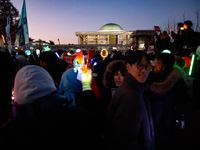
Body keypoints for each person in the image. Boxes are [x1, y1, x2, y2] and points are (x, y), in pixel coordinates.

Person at [105, 50, 154, 150]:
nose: (144, 70)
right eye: (140, 65)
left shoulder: (135, 89)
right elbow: (124, 139)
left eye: (147, 66)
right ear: (128, 67)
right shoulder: (130, 96)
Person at [146, 53, 188, 150]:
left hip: (160, 130)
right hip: (176, 127)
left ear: (160, 67)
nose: (152, 68)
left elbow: (156, 113)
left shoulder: (157, 84)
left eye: (154, 66)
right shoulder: (180, 81)